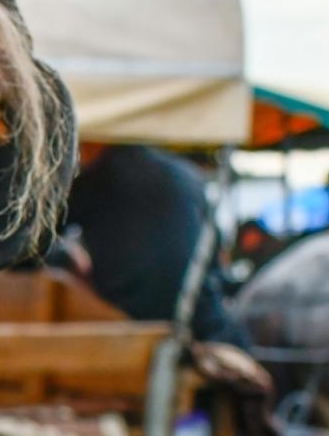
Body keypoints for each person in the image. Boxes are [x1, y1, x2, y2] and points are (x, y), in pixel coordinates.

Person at [56, 143, 250, 347]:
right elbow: (215, 262)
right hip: (206, 324)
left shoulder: (99, 178)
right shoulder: (188, 175)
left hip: (131, 325)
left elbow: (37, 238)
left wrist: (67, 256)